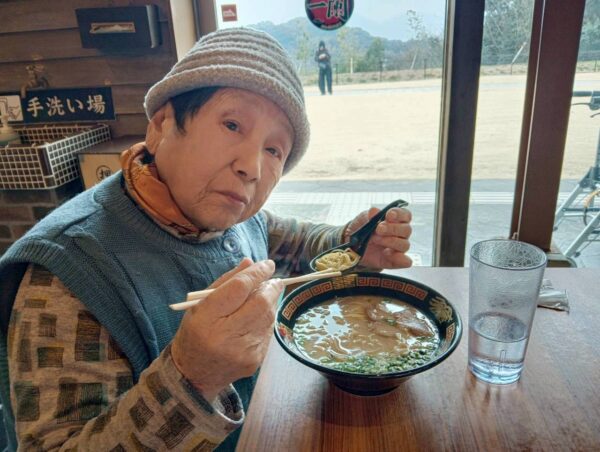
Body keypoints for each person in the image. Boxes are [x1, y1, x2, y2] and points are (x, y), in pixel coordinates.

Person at [0, 27, 412, 451]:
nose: (251, 167)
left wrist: (352, 243)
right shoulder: (67, 275)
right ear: (161, 126)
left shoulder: (232, 217)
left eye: (274, 150)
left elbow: (299, 243)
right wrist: (193, 378)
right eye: (232, 124)